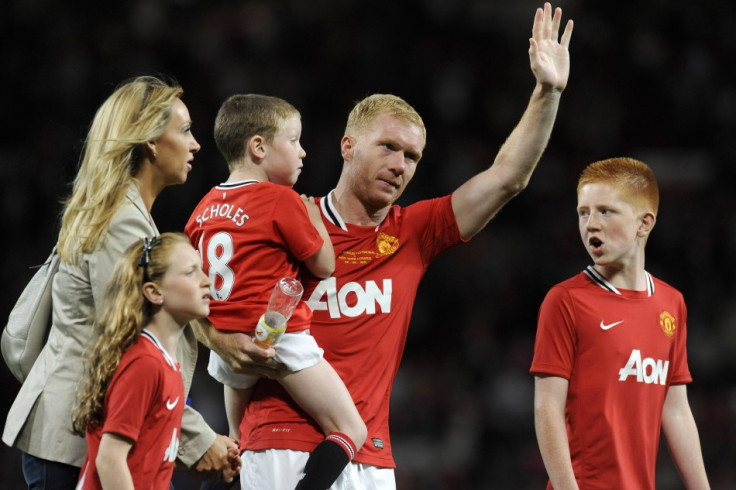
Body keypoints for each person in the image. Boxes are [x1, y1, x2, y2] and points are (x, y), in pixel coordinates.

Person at [193, 3, 574, 488]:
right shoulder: (286, 217)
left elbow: (506, 179)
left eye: (412, 156)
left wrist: (547, 91)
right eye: (388, 147)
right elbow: (204, 292)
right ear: (348, 146)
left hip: (372, 461)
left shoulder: (414, 232)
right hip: (279, 447)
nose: (401, 164)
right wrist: (217, 338)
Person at [2, 76, 239, 488]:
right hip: (75, 447)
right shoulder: (122, 222)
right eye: (184, 130)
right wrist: (200, 441)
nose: (195, 144)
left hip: (77, 441)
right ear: (149, 141)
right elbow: (128, 346)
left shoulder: (122, 213)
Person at [185, 94, 367, 489]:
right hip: (279, 338)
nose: (303, 152)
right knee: (352, 430)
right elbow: (324, 264)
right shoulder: (279, 199)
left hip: (226, 350)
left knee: (238, 445)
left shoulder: (200, 210)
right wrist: (315, 217)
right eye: (294, 140)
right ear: (259, 147)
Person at [530, 157, 711, 489]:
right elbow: (547, 408)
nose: (591, 224)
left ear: (644, 224)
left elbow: (676, 411)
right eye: (583, 212)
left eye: (605, 211)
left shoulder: (672, 303)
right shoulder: (565, 300)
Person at [71, 233, 227, 489]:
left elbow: (146, 452)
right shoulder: (144, 363)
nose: (206, 281)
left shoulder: (168, 363)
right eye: (190, 272)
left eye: (202, 269)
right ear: (154, 292)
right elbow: (110, 459)